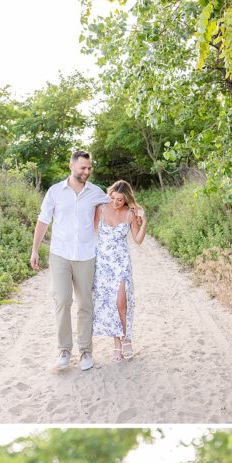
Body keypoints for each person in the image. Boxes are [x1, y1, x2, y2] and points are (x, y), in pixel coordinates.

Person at [31, 150, 109, 371]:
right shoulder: (55, 192)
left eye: (89, 168)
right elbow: (43, 220)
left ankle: (86, 352)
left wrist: (135, 209)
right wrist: (35, 250)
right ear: (71, 166)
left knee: (86, 303)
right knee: (62, 300)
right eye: (83, 167)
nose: (87, 171)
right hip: (60, 254)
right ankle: (64, 350)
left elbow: (116, 202)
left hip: (86, 255)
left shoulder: (96, 192)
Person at [92, 180, 146, 361]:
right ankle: (117, 343)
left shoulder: (130, 214)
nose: (115, 202)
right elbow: (92, 234)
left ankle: (127, 339)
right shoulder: (100, 209)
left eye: (120, 200)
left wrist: (144, 221)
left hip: (121, 262)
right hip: (103, 263)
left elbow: (138, 239)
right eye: (113, 198)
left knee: (121, 301)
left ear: (126, 200)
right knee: (110, 303)